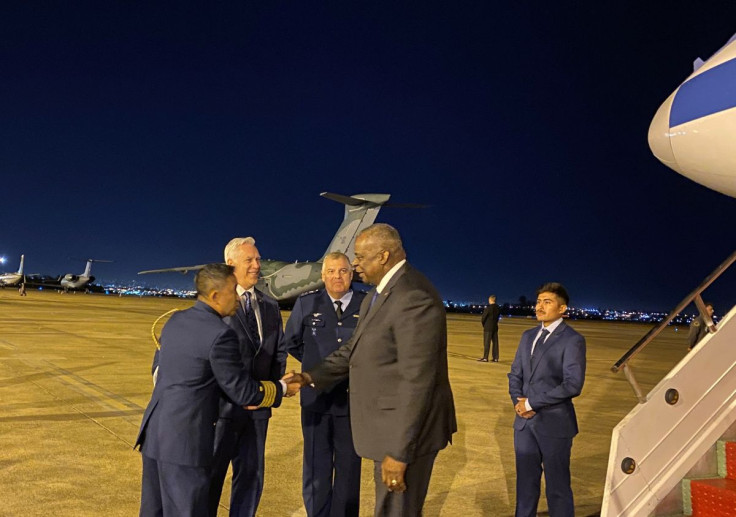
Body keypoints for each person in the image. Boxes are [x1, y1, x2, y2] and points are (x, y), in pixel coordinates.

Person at [285, 223, 457, 517]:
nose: (355, 265)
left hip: (405, 436)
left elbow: (416, 381)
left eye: (361, 257)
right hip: (391, 431)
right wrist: (310, 376)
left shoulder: (412, 297)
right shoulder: (383, 294)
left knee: (396, 510)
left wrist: (400, 450)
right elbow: (354, 349)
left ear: (384, 256)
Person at [135, 263, 290, 517]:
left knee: (154, 511)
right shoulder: (220, 334)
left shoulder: (175, 320)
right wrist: (282, 387)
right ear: (215, 296)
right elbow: (242, 391)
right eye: (232, 291)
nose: (238, 298)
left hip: (156, 435)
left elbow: (162, 371)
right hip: (186, 442)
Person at [210, 237, 287, 517]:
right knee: (212, 476)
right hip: (222, 410)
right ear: (231, 265)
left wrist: (268, 393)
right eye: (250, 260)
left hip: (257, 413)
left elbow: (279, 353)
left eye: (258, 260)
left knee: (251, 477)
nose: (257, 266)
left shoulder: (269, 305)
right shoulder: (217, 303)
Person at [284, 251, 364, 517]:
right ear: (322, 275)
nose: (337, 276)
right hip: (316, 401)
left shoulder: (366, 305)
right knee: (316, 467)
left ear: (351, 273)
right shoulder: (307, 303)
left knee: (349, 469)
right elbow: (292, 342)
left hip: (352, 402)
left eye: (342, 271)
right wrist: (314, 369)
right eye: (331, 271)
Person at [508, 282, 586, 517]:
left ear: (562, 309)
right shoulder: (528, 335)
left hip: (554, 423)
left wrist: (531, 403)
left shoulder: (572, 340)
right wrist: (518, 403)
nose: (540, 306)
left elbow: (573, 384)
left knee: (558, 487)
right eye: (539, 301)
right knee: (525, 485)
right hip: (524, 424)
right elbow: (515, 374)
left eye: (547, 302)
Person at [478, 295, 500, 362]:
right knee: (495, 343)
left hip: (488, 327)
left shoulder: (488, 308)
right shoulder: (498, 308)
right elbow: (497, 318)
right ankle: (496, 358)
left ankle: (485, 357)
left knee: (487, 343)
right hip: (495, 327)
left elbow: (483, 318)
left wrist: (484, 325)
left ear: (490, 300)